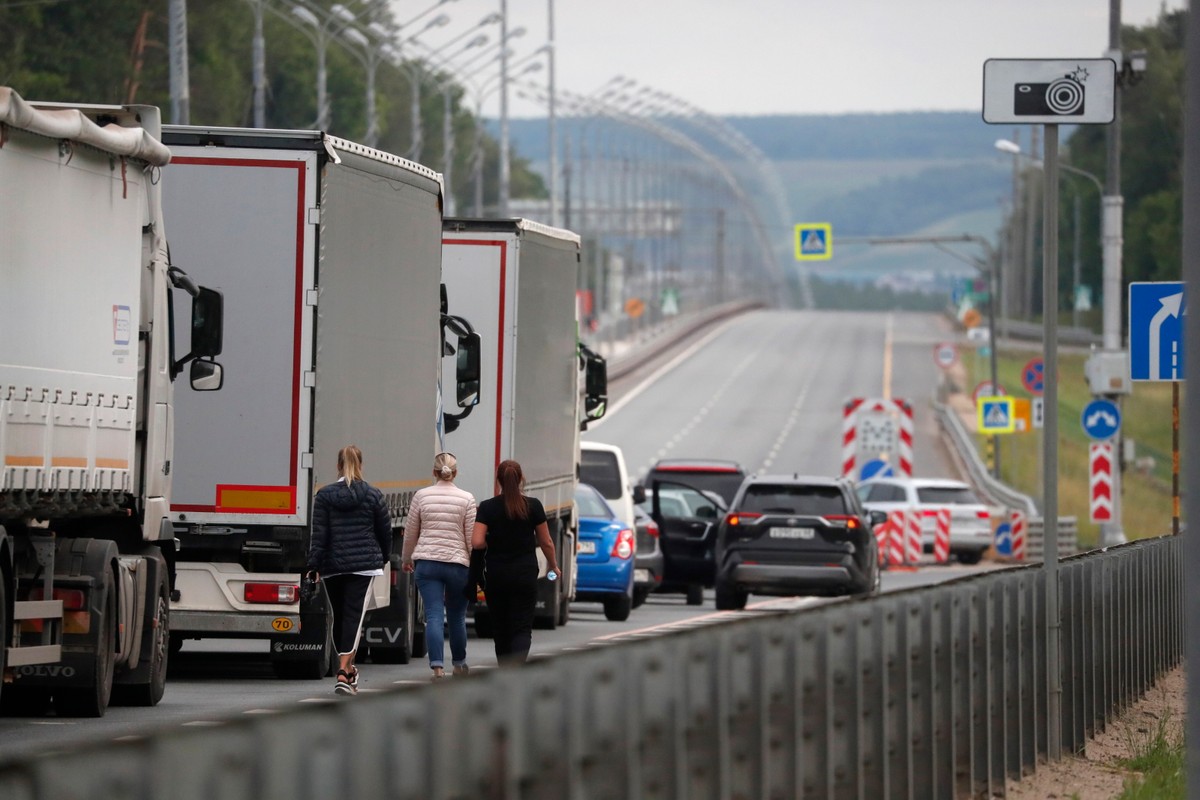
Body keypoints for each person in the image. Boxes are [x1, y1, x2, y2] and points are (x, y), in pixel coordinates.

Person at [306, 444, 391, 695]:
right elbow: (384, 532)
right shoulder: (373, 495)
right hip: (364, 566)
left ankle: (347, 669)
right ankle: (344, 671)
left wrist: (314, 565)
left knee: (340, 616)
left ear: (338, 466)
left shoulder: (323, 496)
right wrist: (382, 557)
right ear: (361, 465)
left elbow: (319, 534)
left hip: (333, 565)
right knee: (354, 616)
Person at [472, 459, 560, 665]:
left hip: (496, 576)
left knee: (501, 628)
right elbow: (546, 542)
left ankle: (505, 671)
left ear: (498, 480)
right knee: (521, 627)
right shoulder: (534, 506)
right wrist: (553, 565)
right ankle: (517, 669)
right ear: (521, 479)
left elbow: (476, 542)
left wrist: (492, 541)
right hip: (524, 575)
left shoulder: (487, 507)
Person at [402, 452, 476, 682]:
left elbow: (411, 531)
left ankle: (436, 667)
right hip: (457, 564)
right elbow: (470, 538)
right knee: (456, 617)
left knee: (433, 615)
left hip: (428, 563)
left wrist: (407, 558)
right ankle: (459, 663)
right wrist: (473, 566)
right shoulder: (467, 499)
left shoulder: (421, 496)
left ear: (434, 472)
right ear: (455, 472)